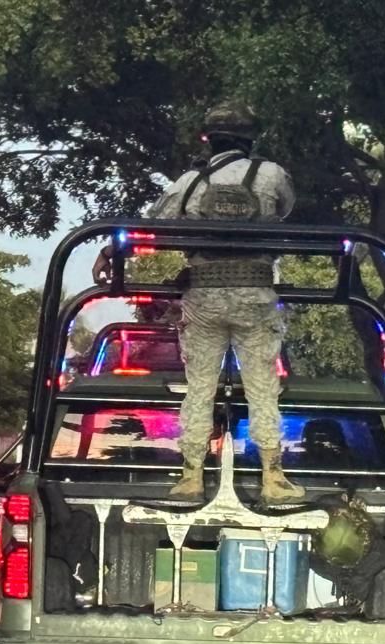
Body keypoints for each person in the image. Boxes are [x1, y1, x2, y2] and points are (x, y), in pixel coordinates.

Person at [93, 101, 303, 505]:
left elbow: (152, 227)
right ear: (250, 139)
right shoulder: (272, 174)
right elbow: (286, 208)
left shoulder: (188, 183)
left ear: (207, 140)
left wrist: (110, 253)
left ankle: (190, 476)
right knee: (262, 388)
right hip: (255, 295)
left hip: (203, 296)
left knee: (199, 388)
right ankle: (273, 478)